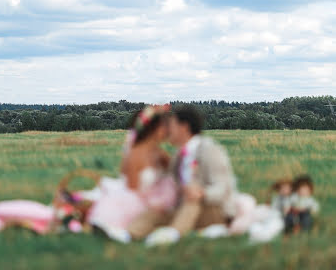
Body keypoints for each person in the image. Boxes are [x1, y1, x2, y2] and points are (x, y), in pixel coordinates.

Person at [128, 105, 238, 246]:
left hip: (216, 212)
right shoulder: (178, 156)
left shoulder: (210, 150)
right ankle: (128, 234)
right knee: (156, 212)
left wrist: (202, 193)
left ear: (184, 127)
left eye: (172, 125)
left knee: (192, 197)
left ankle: (173, 234)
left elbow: (223, 188)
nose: (168, 130)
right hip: (187, 212)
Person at [87, 105, 177, 242]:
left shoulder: (159, 153)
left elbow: (174, 171)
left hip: (157, 198)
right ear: (154, 129)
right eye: (164, 126)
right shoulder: (136, 154)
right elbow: (132, 189)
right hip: (138, 200)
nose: (167, 130)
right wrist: (153, 201)